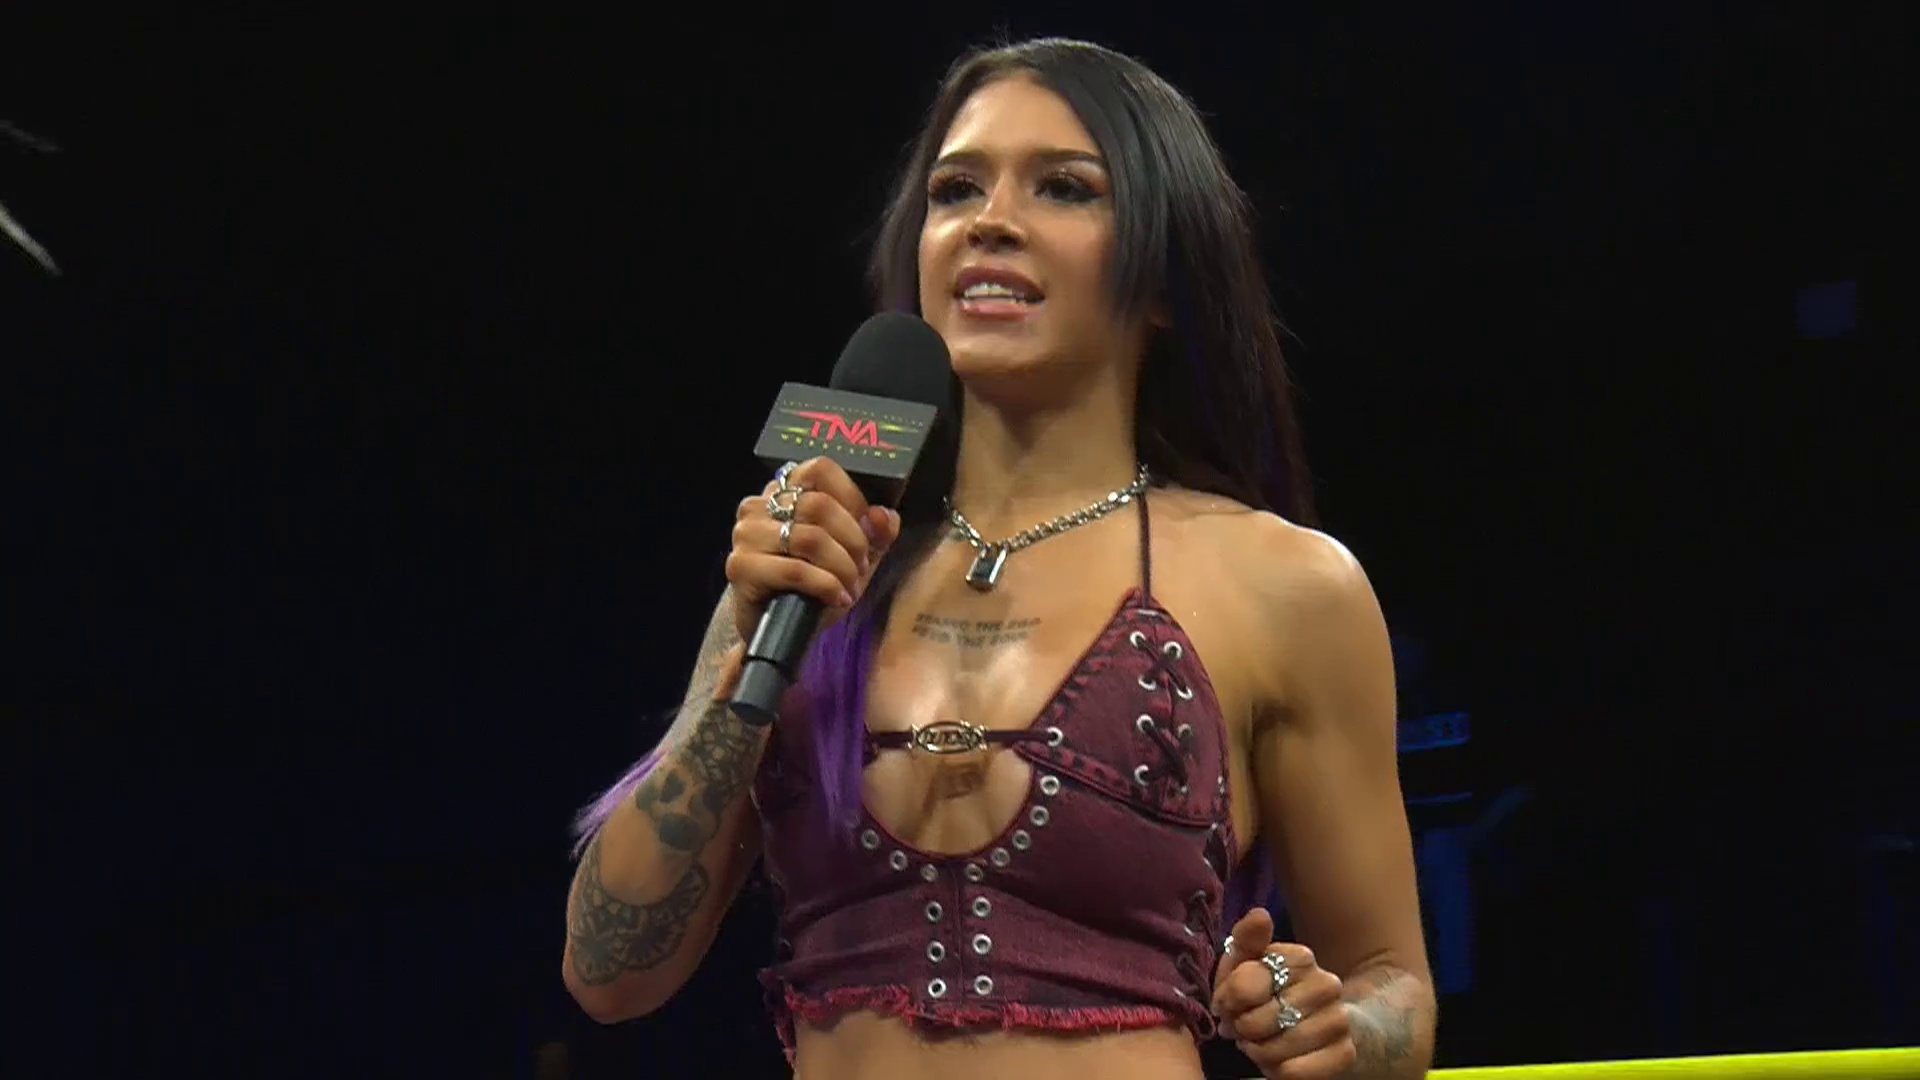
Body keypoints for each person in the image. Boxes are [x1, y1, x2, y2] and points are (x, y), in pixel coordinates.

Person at [563, 36, 1436, 1080]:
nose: (990, 221)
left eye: (1064, 188)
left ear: (1165, 278)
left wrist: (1340, 1030)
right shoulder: (813, 565)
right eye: (956, 189)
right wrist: (749, 659)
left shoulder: (1287, 587)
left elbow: (1395, 987)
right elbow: (608, 972)